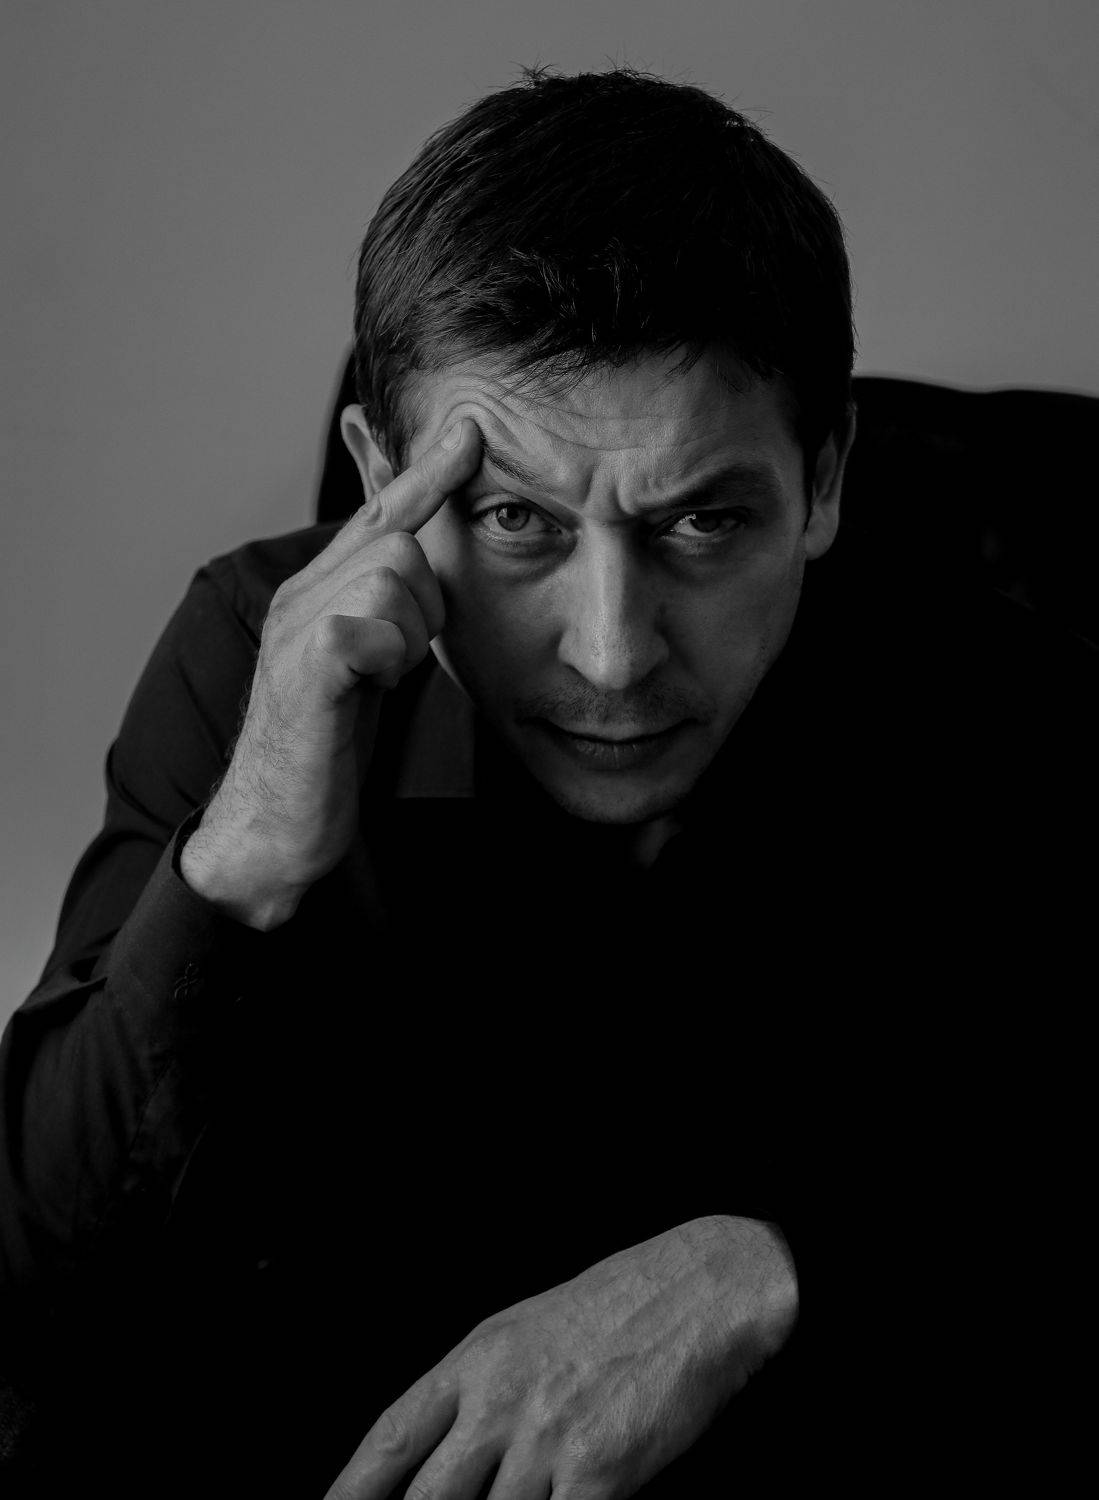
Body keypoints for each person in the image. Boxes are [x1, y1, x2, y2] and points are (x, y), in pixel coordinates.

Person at [1, 65, 1092, 1498]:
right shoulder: (250, 658)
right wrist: (242, 860)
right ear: (380, 475)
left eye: (703, 522)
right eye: (516, 518)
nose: (613, 652)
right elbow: (37, 1279)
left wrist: (775, 1267)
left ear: (825, 478)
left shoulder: (1009, 701)